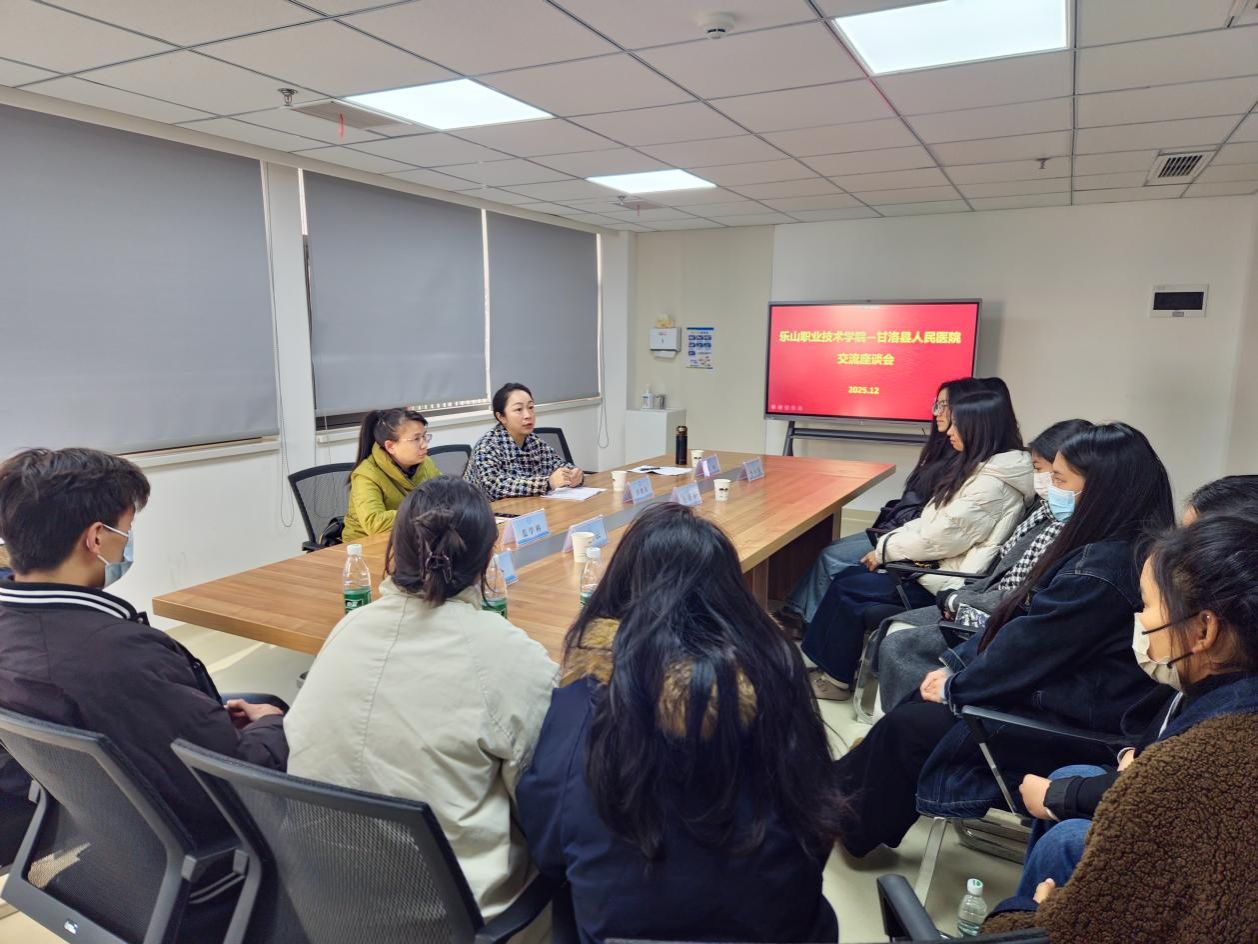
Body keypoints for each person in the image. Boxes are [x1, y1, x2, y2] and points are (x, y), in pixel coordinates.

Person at [831, 423, 1173, 856]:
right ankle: (834, 794)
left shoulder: (1099, 572)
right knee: (921, 700)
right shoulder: (1121, 548)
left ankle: (847, 823)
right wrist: (955, 675)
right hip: (1069, 700)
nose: (1051, 490)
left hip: (1072, 724)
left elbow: (1029, 647)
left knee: (911, 727)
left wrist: (958, 685)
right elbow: (1024, 630)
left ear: (1101, 490)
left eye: (1060, 480)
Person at [517, 503, 842, 944]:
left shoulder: (586, 697)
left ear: (622, 587)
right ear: (731, 593)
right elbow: (819, 815)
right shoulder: (775, 674)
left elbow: (549, 847)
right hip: (778, 928)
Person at [285, 477, 558, 933]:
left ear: (395, 552)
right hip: (455, 920)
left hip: (324, 906)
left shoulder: (348, 629)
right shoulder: (506, 654)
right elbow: (546, 803)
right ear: (487, 559)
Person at [983, 514, 1258, 943]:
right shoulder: (1229, 696)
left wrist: (1039, 911)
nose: (1141, 622)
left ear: (1204, 629)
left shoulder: (1193, 764)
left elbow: (1090, 927)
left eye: (1147, 606)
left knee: (1060, 848)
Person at [0, 448, 288, 844]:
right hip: (191, 832)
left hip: (94, 818)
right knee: (277, 713)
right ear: (96, 538)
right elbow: (236, 776)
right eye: (126, 529)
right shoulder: (117, 654)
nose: (127, 542)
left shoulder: (19, 627)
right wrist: (273, 723)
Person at [803, 388, 1033, 699]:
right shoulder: (983, 468)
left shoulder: (992, 484)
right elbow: (931, 521)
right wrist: (887, 546)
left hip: (946, 581)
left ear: (979, 428)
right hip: (935, 566)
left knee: (850, 590)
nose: (948, 431)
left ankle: (835, 680)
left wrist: (885, 551)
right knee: (848, 579)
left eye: (956, 424)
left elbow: (940, 538)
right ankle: (833, 668)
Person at [873, 419, 1093, 713]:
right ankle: (897, 721)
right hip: (981, 594)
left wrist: (955, 598)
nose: (946, 428)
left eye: (1052, 474)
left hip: (995, 613)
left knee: (896, 642)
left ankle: (906, 718)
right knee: (884, 622)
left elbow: (1022, 599)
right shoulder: (1044, 510)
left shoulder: (1072, 531)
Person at [777, 376, 987, 630]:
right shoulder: (943, 447)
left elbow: (933, 527)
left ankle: (803, 620)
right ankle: (796, 611)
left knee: (831, 556)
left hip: (905, 540)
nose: (937, 412)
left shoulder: (963, 460)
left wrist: (888, 542)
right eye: (937, 404)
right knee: (832, 551)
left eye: (944, 406)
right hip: (900, 531)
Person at [464, 383, 582, 501]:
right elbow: (495, 487)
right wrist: (547, 483)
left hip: (527, 506)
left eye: (530, 407)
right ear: (501, 417)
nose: (528, 415)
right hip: (485, 510)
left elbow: (558, 465)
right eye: (519, 409)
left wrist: (575, 474)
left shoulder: (534, 441)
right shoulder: (487, 447)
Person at [342, 407, 441, 542]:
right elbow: (374, 523)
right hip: (365, 545)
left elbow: (445, 495)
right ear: (390, 446)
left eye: (424, 436)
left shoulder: (425, 462)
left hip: (409, 538)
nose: (424, 445)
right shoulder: (366, 474)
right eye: (416, 439)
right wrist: (424, 511)